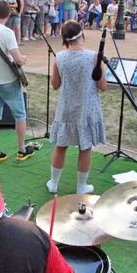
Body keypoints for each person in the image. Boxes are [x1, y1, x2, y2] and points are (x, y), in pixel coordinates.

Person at [46, 21, 107, 195]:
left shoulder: (59, 57)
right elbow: (102, 86)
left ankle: (54, 183)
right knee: (85, 147)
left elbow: (55, 85)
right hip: (87, 108)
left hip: (66, 107)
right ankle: (81, 186)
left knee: (61, 145)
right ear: (81, 35)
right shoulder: (94, 56)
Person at [0, 1, 36, 163]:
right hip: (9, 82)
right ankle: (21, 150)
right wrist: (23, 59)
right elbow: (18, 60)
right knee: (20, 115)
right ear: (8, 15)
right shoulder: (8, 33)